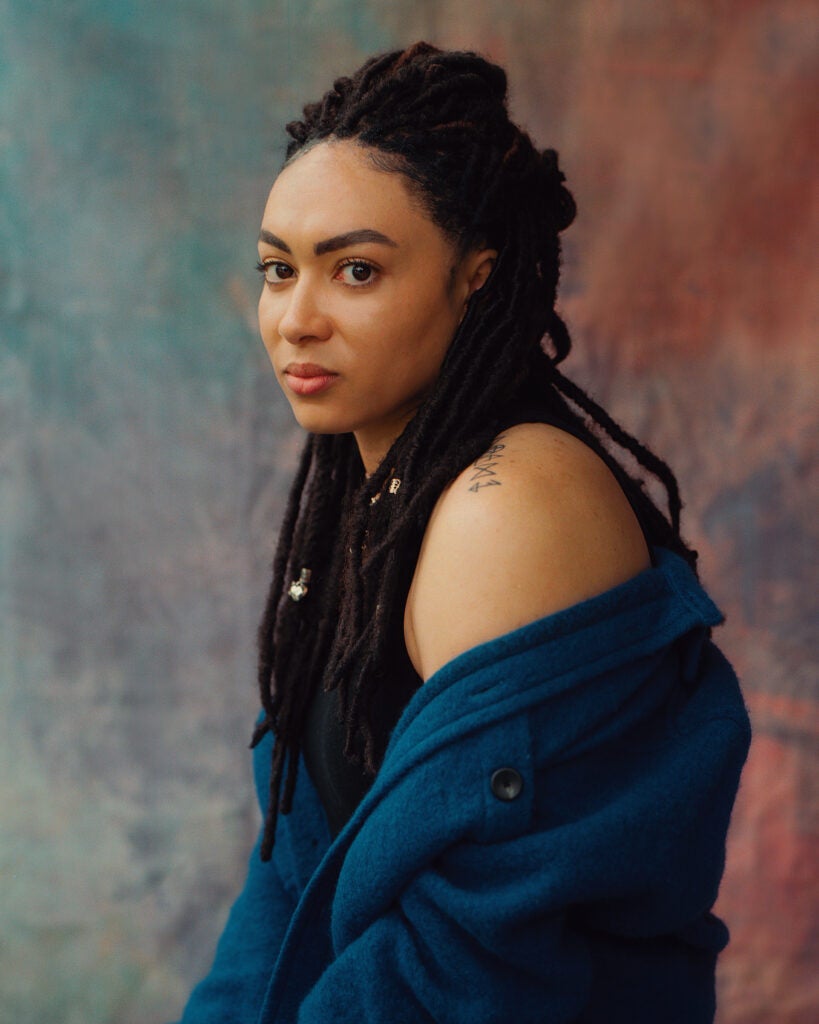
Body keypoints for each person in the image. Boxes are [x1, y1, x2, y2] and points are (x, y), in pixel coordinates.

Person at [175, 42, 750, 1024]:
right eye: (278, 270)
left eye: (354, 270)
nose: (295, 319)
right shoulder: (367, 497)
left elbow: (470, 964)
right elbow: (292, 872)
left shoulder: (509, 504)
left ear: (475, 279)